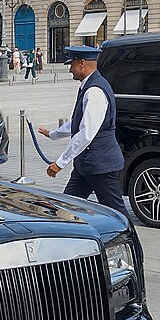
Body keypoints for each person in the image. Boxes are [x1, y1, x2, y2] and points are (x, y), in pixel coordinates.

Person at [38, 45, 126, 213]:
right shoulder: (89, 86)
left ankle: (128, 232)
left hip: (100, 165)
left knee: (116, 212)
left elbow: (86, 132)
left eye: (72, 64)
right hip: (87, 165)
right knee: (66, 206)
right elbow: (77, 121)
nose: (70, 69)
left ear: (82, 63)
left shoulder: (94, 91)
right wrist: (53, 134)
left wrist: (60, 163)